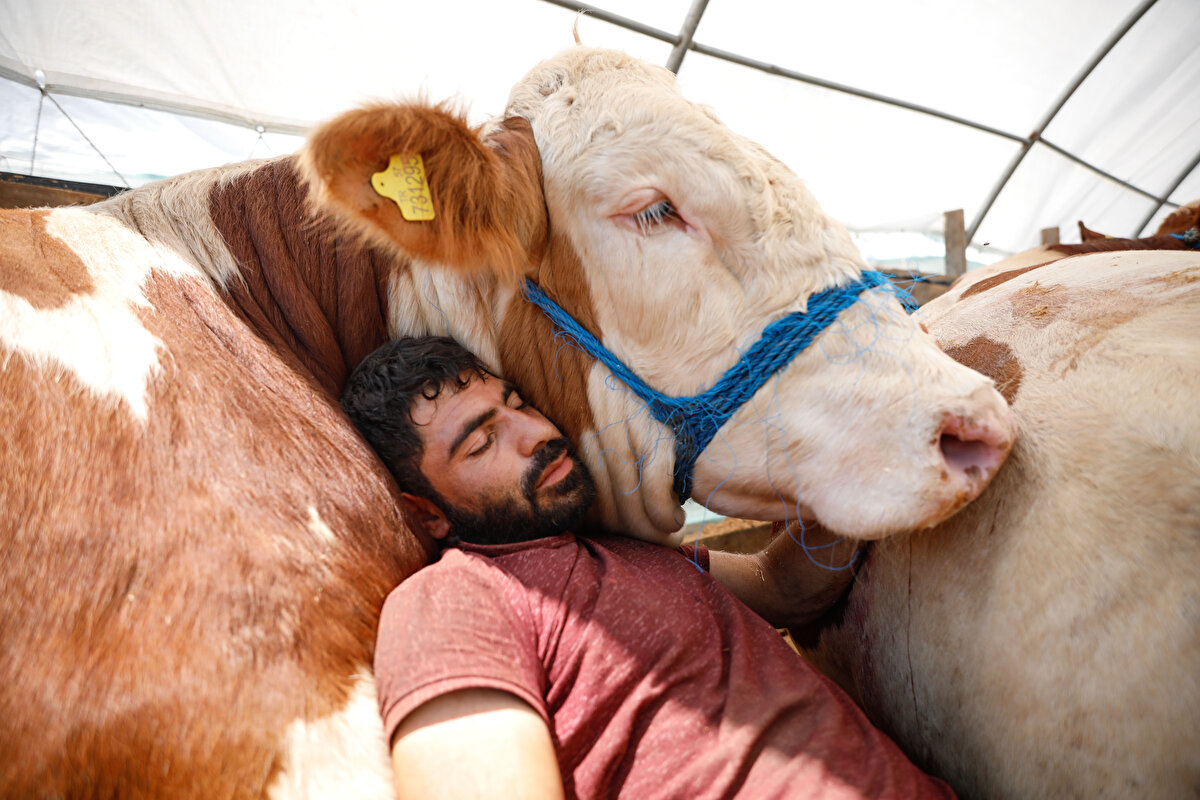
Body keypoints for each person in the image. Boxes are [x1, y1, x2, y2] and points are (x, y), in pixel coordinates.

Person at [341, 335, 954, 800]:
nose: (534, 434)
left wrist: (855, 463)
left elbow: (788, 590)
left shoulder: (629, 548)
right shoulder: (451, 601)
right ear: (427, 516)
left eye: (518, 403)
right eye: (481, 442)